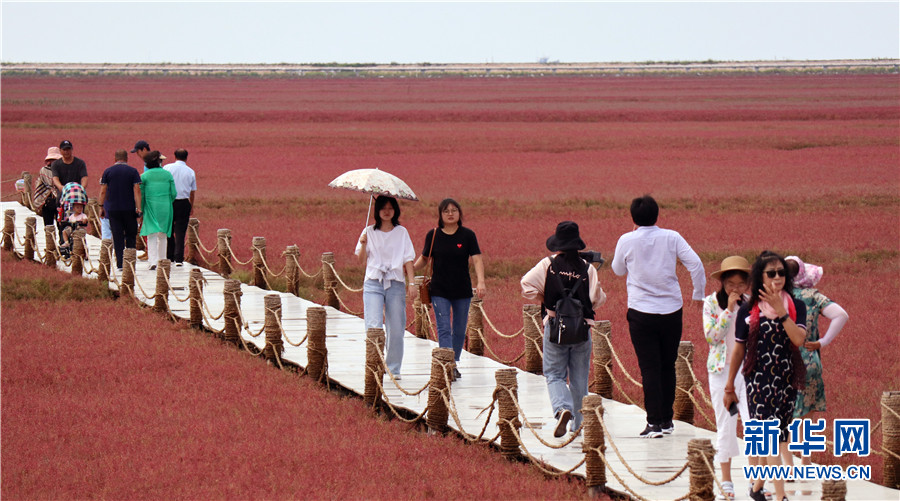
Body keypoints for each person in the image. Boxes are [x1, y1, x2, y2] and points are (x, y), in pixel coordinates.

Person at [611, 195, 706, 438]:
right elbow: (695, 264)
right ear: (657, 215)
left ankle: (653, 422)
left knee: (649, 368)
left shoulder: (627, 240)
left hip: (641, 312)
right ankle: (666, 420)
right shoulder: (672, 237)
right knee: (668, 365)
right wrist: (698, 294)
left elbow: (617, 270)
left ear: (633, 218)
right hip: (672, 310)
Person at [724, 251, 807, 501]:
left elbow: (799, 339)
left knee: (779, 434)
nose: (777, 277)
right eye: (771, 273)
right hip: (759, 381)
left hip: (786, 380)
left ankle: (757, 487)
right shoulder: (749, 311)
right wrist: (729, 385)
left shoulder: (796, 306)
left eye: (781, 272)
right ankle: (780, 495)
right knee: (769, 435)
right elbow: (739, 349)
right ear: (760, 277)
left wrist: (782, 311)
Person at [521, 221, 607, 437]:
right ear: (578, 245)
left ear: (557, 245)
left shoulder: (547, 264)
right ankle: (577, 426)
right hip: (581, 329)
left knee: (554, 374)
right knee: (579, 380)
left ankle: (562, 408)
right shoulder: (588, 268)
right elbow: (597, 298)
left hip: (554, 326)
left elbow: (526, 285)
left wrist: (547, 300)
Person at [704, 256, 769, 501]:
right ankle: (726, 481)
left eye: (741, 284)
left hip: (750, 372)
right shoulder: (711, 303)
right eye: (730, 284)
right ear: (722, 283)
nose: (735, 289)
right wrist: (730, 310)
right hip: (721, 373)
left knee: (754, 424)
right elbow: (712, 336)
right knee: (726, 426)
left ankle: (756, 482)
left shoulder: (755, 304)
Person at [779, 256, 849, 469]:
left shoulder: (778, 297)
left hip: (783, 361)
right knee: (807, 417)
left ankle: (788, 465)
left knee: (787, 416)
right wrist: (822, 341)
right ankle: (807, 462)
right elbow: (841, 315)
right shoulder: (813, 296)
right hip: (809, 360)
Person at [413, 199, 485, 379]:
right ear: (440, 215)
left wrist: (481, 282)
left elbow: (476, 259)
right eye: (446, 211)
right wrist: (409, 269)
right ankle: (447, 365)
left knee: (460, 329)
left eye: (454, 210)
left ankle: (454, 360)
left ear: (459, 213)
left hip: (462, 289)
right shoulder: (434, 235)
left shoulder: (468, 235)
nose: (450, 213)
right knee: (444, 327)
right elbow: (424, 259)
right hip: (439, 290)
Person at [355, 195, 416, 379]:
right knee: (373, 325)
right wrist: (364, 244)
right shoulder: (368, 231)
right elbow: (361, 260)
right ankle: (374, 363)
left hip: (395, 282)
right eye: (383, 208)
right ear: (377, 211)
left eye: (390, 208)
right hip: (373, 281)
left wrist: (412, 282)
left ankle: (394, 367)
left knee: (396, 326)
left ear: (395, 210)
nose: (387, 211)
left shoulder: (401, 232)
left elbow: (408, 259)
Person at [99, 150, 142, 271]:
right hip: (129, 208)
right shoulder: (133, 171)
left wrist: (101, 206)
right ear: (127, 158)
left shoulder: (108, 171)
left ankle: (120, 264)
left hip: (113, 209)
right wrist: (139, 207)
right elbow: (137, 190)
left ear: (115, 158)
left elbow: (103, 190)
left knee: (117, 235)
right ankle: (130, 261)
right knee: (131, 235)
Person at [139, 151, 176, 270]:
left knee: (151, 234)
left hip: (150, 206)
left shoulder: (144, 176)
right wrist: (167, 200)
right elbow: (174, 193)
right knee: (163, 234)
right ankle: (162, 259)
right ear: (158, 161)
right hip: (166, 206)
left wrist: (141, 208)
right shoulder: (168, 175)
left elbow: (141, 194)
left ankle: (153, 261)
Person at [164, 148, 197, 266]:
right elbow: (192, 192)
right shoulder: (190, 171)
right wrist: (191, 206)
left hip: (169, 202)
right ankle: (179, 259)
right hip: (184, 203)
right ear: (186, 157)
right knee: (181, 231)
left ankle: (170, 256)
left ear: (175, 156)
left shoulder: (167, 168)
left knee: (168, 230)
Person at [33, 146, 62, 227]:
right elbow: (51, 183)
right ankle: (50, 239)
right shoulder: (44, 170)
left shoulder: (63, 170)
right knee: (48, 225)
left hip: (60, 201)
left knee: (61, 224)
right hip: (46, 201)